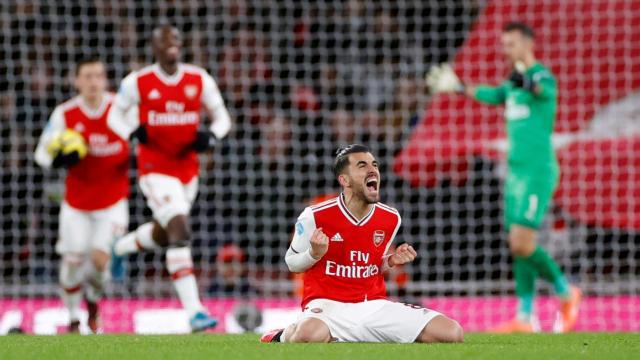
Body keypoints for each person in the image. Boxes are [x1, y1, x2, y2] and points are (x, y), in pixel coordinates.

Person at [426, 21, 582, 333]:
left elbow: (541, 90)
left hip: (538, 171)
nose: (505, 49)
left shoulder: (540, 77)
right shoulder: (512, 85)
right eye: (504, 44)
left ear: (527, 43)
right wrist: (458, 87)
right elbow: (492, 93)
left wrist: (525, 80)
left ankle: (567, 292)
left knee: (523, 242)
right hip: (516, 173)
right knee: (517, 244)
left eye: (510, 44)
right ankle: (525, 317)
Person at [261, 144, 463, 343]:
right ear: (344, 180)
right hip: (328, 306)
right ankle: (282, 335)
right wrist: (314, 253)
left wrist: (390, 261)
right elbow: (292, 263)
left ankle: (351, 336)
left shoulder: (391, 218)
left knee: (451, 333)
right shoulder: (314, 215)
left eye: (374, 164)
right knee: (307, 336)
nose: (372, 169)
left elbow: (371, 265)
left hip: (373, 306)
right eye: (362, 165)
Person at [107, 24, 232, 332]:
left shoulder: (198, 79)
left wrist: (212, 137)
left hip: (187, 171)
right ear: (155, 47)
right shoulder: (137, 82)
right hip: (154, 169)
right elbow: (114, 116)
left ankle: (120, 247)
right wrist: (132, 133)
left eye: (175, 40)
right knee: (180, 229)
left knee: (167, 232)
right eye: (164, 41)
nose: (171, 45)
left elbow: (222, 117)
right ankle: (195, 312)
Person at [34, 58, 129, 333]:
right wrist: (58, 158)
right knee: (73, 263)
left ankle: (93, 301)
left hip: (113, 203)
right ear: (76, 81)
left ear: (105, 80)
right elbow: (40, 152)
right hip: (76, 204)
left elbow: (139, 139)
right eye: (87, 76)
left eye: (98, 75)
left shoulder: (120, 110)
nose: (93, 82)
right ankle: (74, 317)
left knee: (100, 263)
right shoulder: (65, 114)